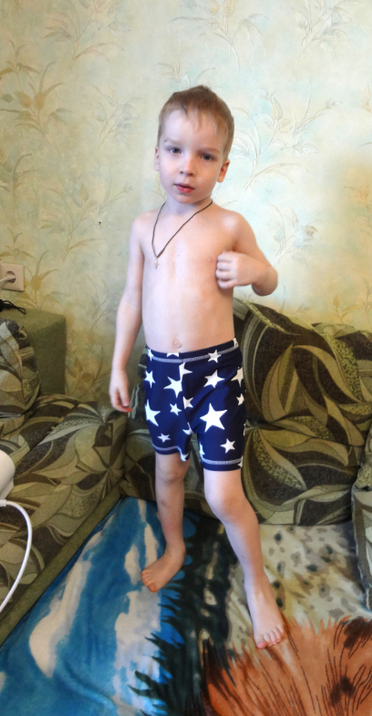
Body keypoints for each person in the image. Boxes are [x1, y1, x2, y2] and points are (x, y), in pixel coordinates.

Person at [109, 85, 284, 649]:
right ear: (157, 155)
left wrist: (253, 271)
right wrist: (119, 366)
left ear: (223, 168)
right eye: (175, 150)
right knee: (167, 473)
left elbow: (270, 279)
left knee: (222, 495)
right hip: (160, 373)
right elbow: (131, 300)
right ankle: (175, 548)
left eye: (205, 156)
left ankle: (256, 582)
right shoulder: (143, 226)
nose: (188, 166)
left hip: (214, 376)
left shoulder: (228, 225)